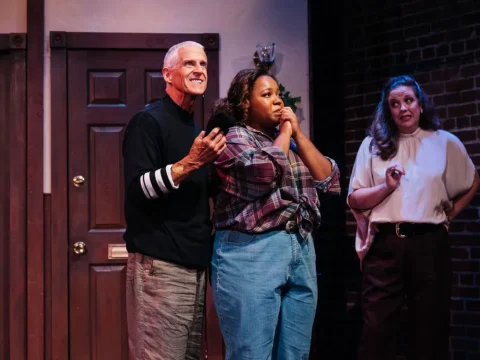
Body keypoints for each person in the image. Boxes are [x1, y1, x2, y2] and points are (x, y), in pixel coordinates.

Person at [209, 68, 341, 360]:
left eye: (278, 94)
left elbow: (330, 182)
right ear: (245, 103)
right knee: (252, 354)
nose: (277, 101)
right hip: (252, 252)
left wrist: (297, 133)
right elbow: (264, 171)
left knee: (295, 354)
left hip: (301, 249)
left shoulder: (290, 142)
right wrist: (284, 135)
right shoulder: (233, 138)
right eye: (266, 95)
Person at [348, 75, 479, 360]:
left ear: (420, 103)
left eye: (408, 100)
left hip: (429, 244)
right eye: (394, 103)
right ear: (388, 110)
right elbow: (355, 199)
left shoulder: (444, 142)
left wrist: (450, 215)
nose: (403, 108)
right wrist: (386, 186)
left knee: (430, 328)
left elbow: (472, 182)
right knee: (376, 330)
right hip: (386, 245)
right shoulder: (372, 146)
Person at [122, 41, 226, 360]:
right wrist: (190, 163)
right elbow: (139, 189)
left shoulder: (196, 128)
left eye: (203, 64)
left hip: (195, 267)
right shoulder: (148, 122)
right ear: (168, 74)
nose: (198, 70)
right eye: (189, 64)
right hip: (161, 267)